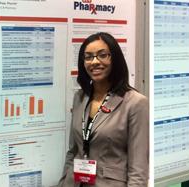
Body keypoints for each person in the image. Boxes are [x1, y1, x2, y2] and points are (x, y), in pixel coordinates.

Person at [58, 32, 149, 186]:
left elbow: (138, 170)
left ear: (115, 58)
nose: (94, 62)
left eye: (102, 55)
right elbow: (73, 151)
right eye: (88, 57)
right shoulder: (80, 97)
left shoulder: (135, 103)